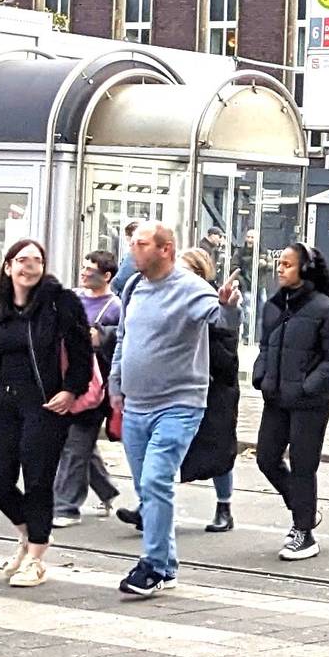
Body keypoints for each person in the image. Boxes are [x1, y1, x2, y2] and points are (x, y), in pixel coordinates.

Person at [0, 238, 95, 588]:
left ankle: (36, 558)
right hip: (0, 403)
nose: (30, 267)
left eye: (36, 261)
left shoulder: (60, 303)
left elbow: (81, 351)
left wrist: (70, 390)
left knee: (38, 480)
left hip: (44, 404)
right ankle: (30, 535)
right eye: (23, 260)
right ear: (8, 266)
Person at [110, 221, 239, 598]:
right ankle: (166, 566)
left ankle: (151, 565)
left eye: (141, 244)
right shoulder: (134, 286)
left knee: (155, 480)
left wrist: (229, 306)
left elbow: (221, 321)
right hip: (136, 404)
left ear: (165, 249)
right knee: (148, 488)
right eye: (133, 243)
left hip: (179, 403)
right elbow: (124, 336)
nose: (133, 250)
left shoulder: (190, 288)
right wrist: (116, 380)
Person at [253, 243, 329, 560]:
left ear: (305, 270)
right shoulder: (275, 305)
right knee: (266, 458)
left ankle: (304, 533)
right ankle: (303, 509)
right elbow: (266, 346)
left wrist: (309, 386)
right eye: (279, 263)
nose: (280, 269)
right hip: (276, 397)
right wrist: (262, 374)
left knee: (303, 465)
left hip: (310, 402)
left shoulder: (326, 309)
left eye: (288, 264)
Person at [53, 250, 126, 526]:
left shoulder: (116, 308)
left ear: (106, 276)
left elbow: (123, 343)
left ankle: (65, 507)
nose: (84, 273)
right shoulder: (72, 298)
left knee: (75, 444)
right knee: (80, 445)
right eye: (83, 267)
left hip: (97, 388)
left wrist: (102, 337)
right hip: (67, 379)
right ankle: (106, 490)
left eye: (90, 269)